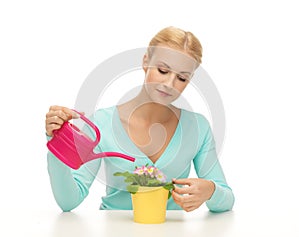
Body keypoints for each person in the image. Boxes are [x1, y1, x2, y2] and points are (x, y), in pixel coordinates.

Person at [45, 26, 235, 212]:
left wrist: (211, 190)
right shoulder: (102, 123)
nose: (169, 84)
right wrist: (56, 144)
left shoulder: (197, 128)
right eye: (162, 70)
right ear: (146, 61)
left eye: (182, 78)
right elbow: (68, 202)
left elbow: (226, 199)